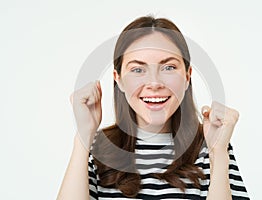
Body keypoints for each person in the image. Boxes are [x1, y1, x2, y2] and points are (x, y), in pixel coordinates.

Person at [57, 16, 250, 200]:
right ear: (119, 80)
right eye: (137, 70)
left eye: (168, 67)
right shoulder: (97, 147)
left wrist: (218, 153)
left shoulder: (211, 147)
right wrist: (83, 135)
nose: (154, 83)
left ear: (187, 76)